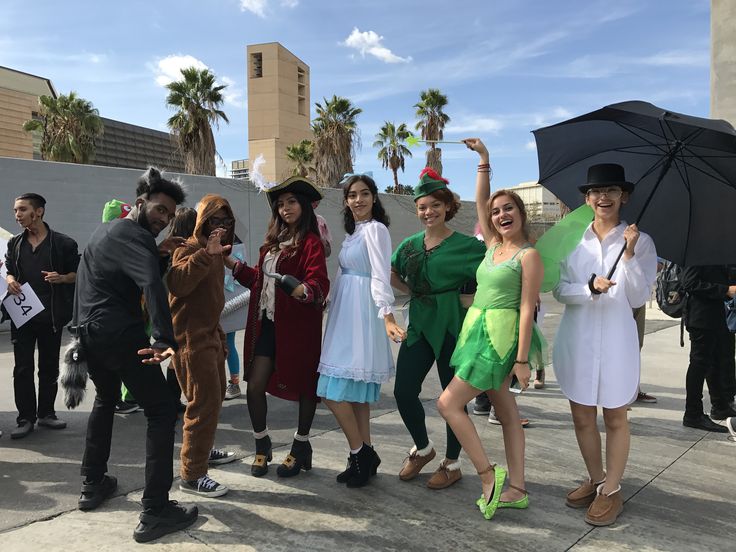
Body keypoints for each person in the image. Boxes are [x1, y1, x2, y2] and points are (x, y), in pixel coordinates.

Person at [72, 168, 197, 543]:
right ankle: (155, 509)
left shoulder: (104, 231)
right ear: (140, 203)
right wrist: (163, 338)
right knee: (161, 410)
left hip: (89, 333)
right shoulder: (136, 236)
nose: (162, 219)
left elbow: (108, 279)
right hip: (121, 334)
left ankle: (93, 484)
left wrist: (157, 255)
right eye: (159, 210)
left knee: (107, 400)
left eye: (168, 214)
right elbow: (150, 286)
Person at [437, 138, 545, 521]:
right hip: (476, 330)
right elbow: (481, 200)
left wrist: (521, 360)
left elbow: (527, 307)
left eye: (508, 209)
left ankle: (488, 475)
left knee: (448, 403)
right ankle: (517, 487)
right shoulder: (492, 247)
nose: (500, 215)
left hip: (500, 339)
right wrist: (484, 160)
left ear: (521, 213)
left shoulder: (527, 254)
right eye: (496, 211)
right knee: (507, 411)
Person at [553, 163, 657, 527]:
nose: (603, 197)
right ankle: (597, 479)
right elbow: (560, 290)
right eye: (597, 191)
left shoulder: (640, 241)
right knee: (582, 416)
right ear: (586, 198)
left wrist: (627, 256)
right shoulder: (572, 240)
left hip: (617, 339)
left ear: (623, 196)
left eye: (612, 190)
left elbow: (638, 296)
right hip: (577, 338)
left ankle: (612, 490)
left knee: (615, 415)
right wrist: (588, 288)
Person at [391, 167, 486, 489]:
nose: (428, 212)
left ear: (447, 207)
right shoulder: (409, 245)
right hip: (418, 324)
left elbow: (491, 273)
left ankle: (452, 462)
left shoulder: (468, 246)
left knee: (452, 400)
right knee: (403, 391)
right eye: (422, 206)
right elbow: (392, 273)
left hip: (452, 327)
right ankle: (423, 448)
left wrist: (470, 297)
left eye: (434, 205)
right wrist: (413, 291)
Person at [233, 176, 329, 478]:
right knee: (255, 385)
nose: (285, 208)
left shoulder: (310, 243)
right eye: (281, 204)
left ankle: (301, 445)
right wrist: (230, 264)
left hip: (299, 327)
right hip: (268, 325)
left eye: (291, 202)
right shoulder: (271, 245)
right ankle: (262, 444)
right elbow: (259, 281)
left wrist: (306, 290)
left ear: (303, 206)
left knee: (304, 386)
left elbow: (319, 282)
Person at [317, 174, 406, 488]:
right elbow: (343, 272)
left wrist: (388, 316)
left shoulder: (376, 230)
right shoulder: (353, 232)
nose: (358, 200)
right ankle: (365, 453)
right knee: (354, 393)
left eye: (364, 194)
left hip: (363, 314)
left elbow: (381, 273)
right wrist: (327, 301)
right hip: (345, 312)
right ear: (345, 200)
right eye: (352, 195)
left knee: (331, 391)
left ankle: (359, 453)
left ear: (374, 197)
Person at [167, 194, 239, 497]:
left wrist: (220, 339)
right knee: (201, 405)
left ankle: (203, 450)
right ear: (202, 222)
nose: (220, 227)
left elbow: (212, 301)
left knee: (214, 399)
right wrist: (204, 254)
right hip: (191, 343)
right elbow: (177, 284)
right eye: (214, 220)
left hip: (210, 337)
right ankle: (192, 474)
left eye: (225, 221)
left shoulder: (217, 253)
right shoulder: (189, 249)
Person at [3, 193, 79, 439]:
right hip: (22, 317)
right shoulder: (14, 243)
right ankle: (25, 418)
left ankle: (46, 413)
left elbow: (79, 274)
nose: (17, 215)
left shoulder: (63, 244)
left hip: (52, 317)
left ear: (39, 212)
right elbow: (9, 270)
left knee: (48, 368)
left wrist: (63, 277)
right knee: (22, 369)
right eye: (15, 210)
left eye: (22, 210)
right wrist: (11, 280)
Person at [680, 265, 736, 431]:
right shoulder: (698, 253)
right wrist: (725, 289)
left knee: (717, 361)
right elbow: (689, 283)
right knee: (699, 363)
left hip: (716, 315)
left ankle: (719, 405)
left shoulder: (716, 253)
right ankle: (692, 413)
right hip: (701, 317)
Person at [221, 233, 249, 400]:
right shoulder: (234, 240)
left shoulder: (225, 244)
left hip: (226, 302)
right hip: (225, 301)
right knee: (226, 344)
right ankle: (232, 383)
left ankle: (233, 383)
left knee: (226, 344)